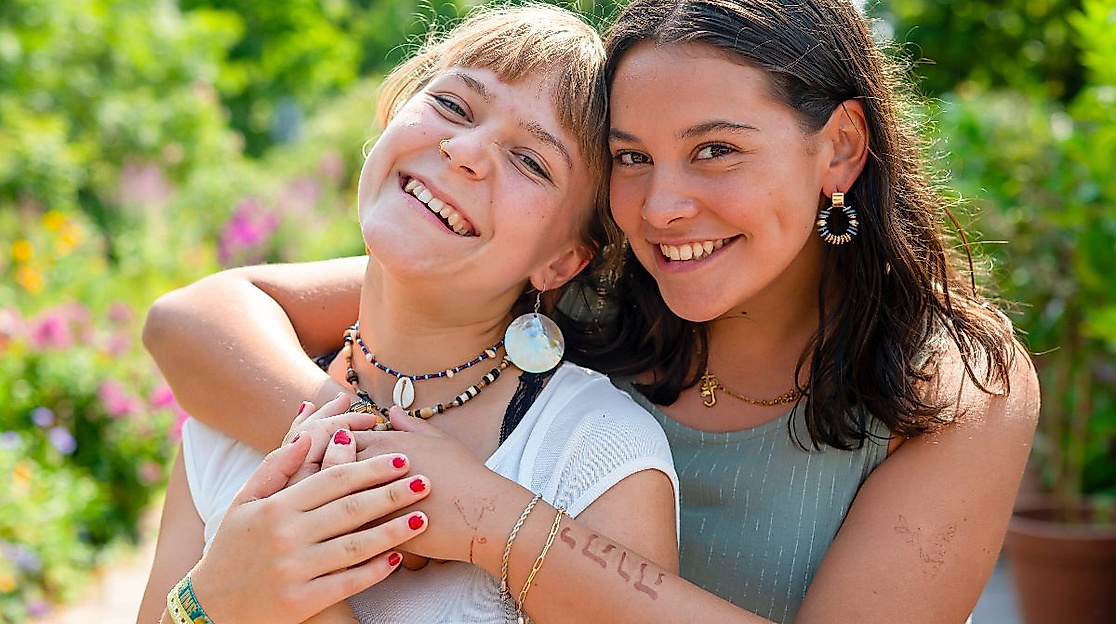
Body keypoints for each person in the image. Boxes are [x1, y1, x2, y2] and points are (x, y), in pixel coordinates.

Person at [143, 0, 1041, 622]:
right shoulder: (581, 293)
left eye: (716, 150)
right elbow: (197, 319)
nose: (660, 208)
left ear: (840, 147)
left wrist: (483, 517)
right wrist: (362, 477)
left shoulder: (954, 377)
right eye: (631, 158)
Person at [136, 5, 680, 624]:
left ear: (562, 261)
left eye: (531, 161)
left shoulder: (596, 455)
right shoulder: (228, 410)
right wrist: (210, 602)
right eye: (452, 106)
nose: (464, 151)